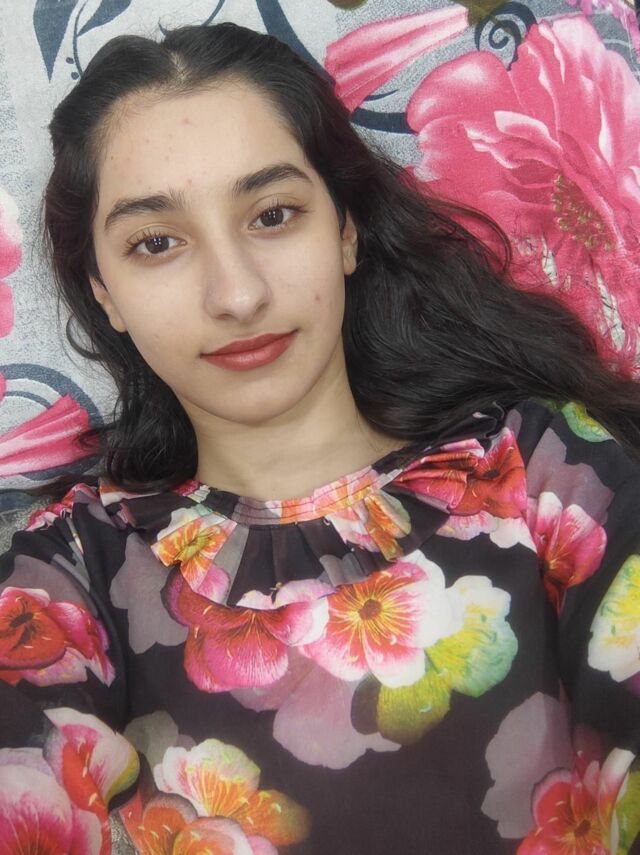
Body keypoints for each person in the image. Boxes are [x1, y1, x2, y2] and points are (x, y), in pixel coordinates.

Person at [1, 21, 639, 855]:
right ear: (104, 293)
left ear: (344, 230)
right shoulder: (70, 575)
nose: (237, 294)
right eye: (156, 243)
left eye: (273, 215)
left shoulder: (554, 473)